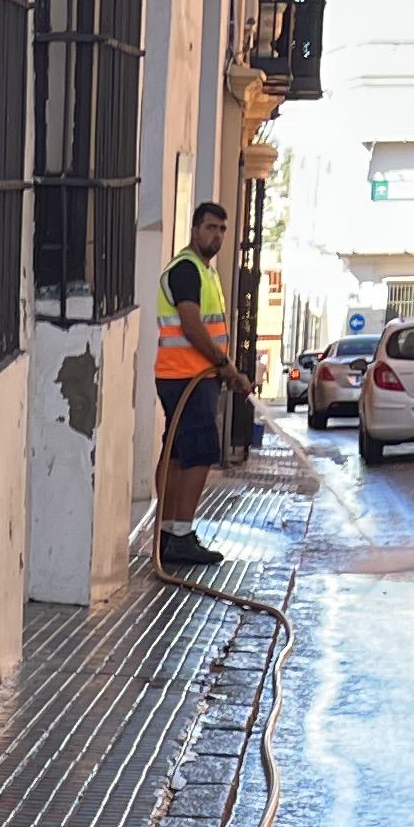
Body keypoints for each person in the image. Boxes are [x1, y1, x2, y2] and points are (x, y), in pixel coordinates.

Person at [154, 201, 250, 571]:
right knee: (199, 452)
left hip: (188, 376)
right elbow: (193, 327)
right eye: (211, 228)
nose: (218, 235)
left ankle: (168, 532)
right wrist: (225, 366)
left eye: (223, 229)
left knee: (177, 453)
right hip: (187, 377)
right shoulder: (187, 271)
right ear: (195, 230)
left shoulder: (204, 272)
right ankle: (180, 535)